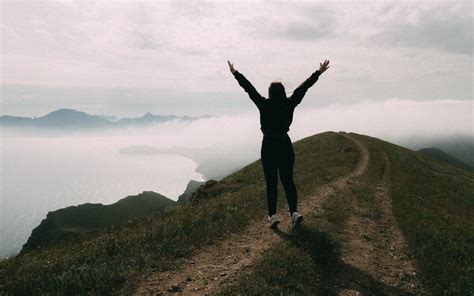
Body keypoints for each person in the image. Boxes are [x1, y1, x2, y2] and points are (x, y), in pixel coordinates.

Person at [228, 59, 330, 228]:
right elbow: (303, 87)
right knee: (288, 180)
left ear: (270, 93)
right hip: (284, 144)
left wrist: (235, 74)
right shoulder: (289, 103)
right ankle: (294, 212)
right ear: (283, 92)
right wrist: (318, 72)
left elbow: (249, 89)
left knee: (271, 182)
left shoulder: (263, 104)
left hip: (268, 145)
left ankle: (273, 216)